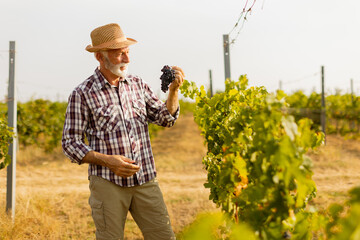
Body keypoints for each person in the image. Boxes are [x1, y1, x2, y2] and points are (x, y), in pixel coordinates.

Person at [62, 23, 184, 240]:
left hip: (145, 179)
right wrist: (108, 161)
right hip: (108, 183)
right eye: (120, 54)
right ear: (100, 57)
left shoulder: (138, 85)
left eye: (127, 53)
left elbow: (166, 118)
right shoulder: (82, 93)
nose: (127, 59)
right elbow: (70, 143)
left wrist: (173, 91)